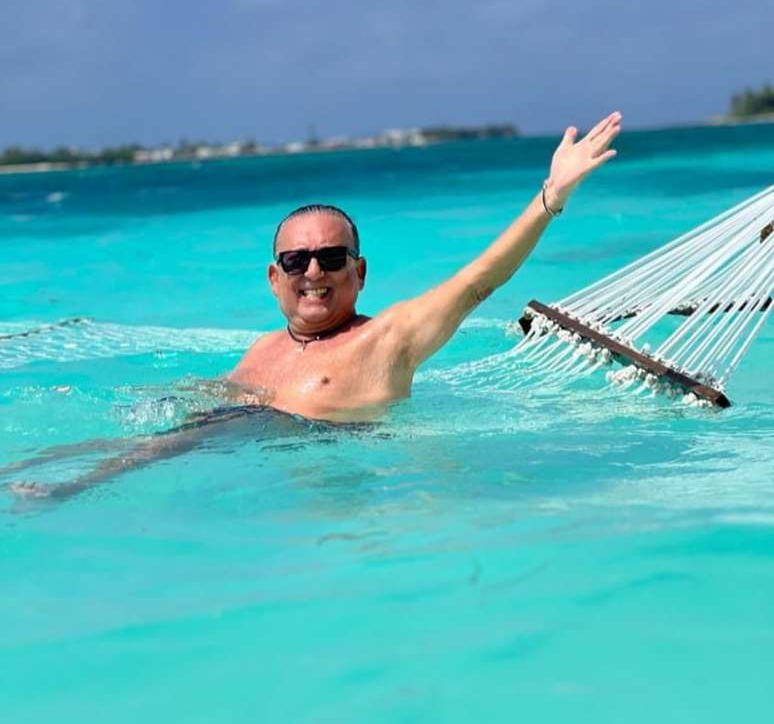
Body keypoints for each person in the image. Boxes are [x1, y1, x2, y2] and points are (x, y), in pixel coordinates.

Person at [6, 111, 621, 499]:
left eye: (331, 258)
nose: (315, 274)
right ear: (275, 279)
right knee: (172, 431)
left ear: (359, 271)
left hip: (345, 481)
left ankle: (69, 490)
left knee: (178, 442)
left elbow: (478, 279)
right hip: (267, 478)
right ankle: (41, 468)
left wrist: (551, 195)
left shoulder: (389, 338)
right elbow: (207, 406)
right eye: (298, 262)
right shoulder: (264, 349)